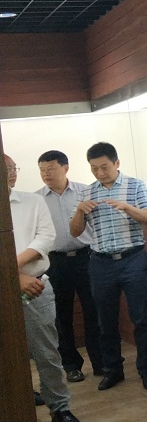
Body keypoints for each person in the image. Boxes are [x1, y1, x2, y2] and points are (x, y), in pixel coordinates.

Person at [69, 142, 147, 392]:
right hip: (101, 262)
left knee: (141, 318)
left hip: (133, 259)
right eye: (94, 168)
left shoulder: (135, 185)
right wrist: (79, 211)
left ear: (116, 163)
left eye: (104, 167)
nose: (100, 173)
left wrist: (127, 207)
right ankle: (113, 370)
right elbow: (75, 232)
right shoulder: (86, 193)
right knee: (105, 321)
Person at [6, 154, 81, 422]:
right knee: (8, 354)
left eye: (13, 168)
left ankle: (60, 408)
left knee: (47, 352)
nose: (11, 173)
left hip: (35, 286)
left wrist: (11, 271)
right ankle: (18, 398)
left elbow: (45, 238)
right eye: (6, 168)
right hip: (12, 285)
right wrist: (13, 278)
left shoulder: (32, 201)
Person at [36, 150, 104, 383]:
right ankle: (71, 365)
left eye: (51, 168)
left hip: (87, 257)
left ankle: (100, 362)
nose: (46, 174)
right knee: (61, 315)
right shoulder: (37, 199)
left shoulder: (85, 191)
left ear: (65, 168)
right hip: (55, 262)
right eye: (42, 170)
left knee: (93, 310)